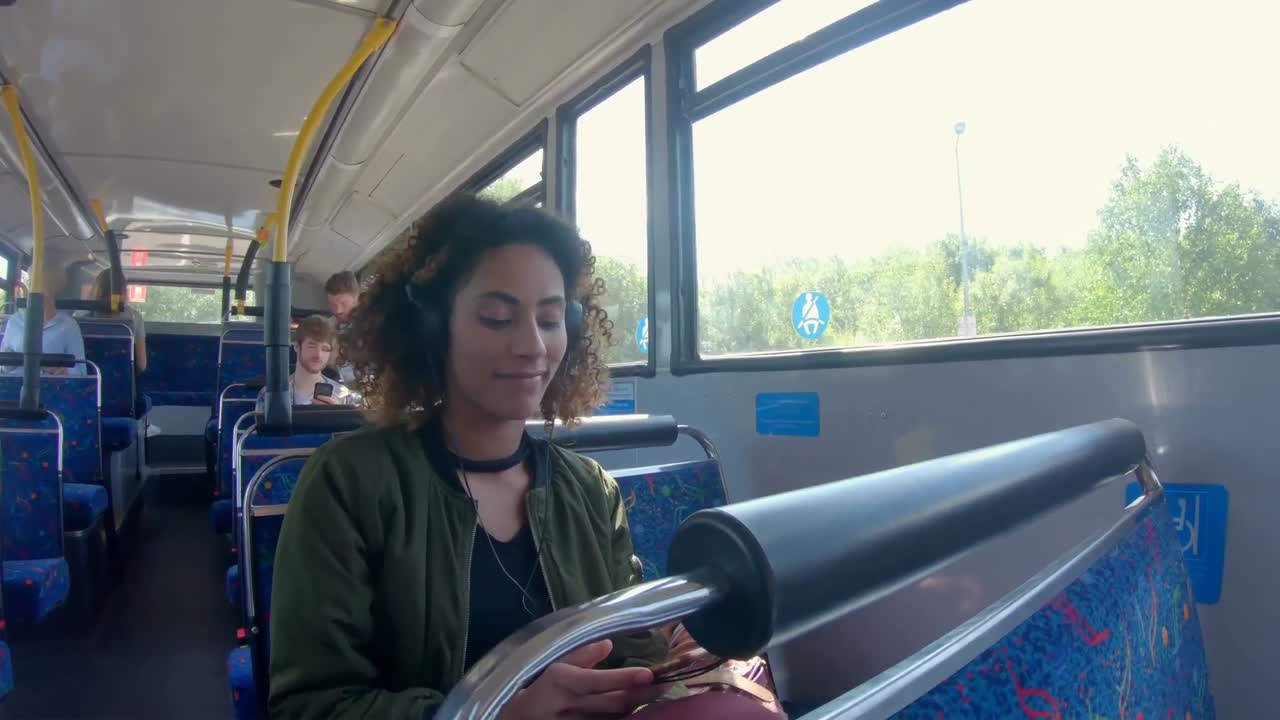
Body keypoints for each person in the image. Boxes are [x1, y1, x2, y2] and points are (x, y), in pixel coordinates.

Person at [268, 195, 669, 719]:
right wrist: (491, 714)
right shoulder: (349, 483)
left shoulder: (591, 489)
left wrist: (678, 667)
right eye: (498, 318)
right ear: (434, 329)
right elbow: (310, 704)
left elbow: (638, 650)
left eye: (550, 320)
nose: (533, 345)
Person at [0, 250, 86, 376]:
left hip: (50, 385)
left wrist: (54, 368)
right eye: (32, 283)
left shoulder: (68, 326)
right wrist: (8, 363)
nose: (39, 290)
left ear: (55, 288)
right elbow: (3, 367)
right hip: (13, 384)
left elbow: (81, 371)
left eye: (44, 284)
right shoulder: (15, 321)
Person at [256, 314, 357, 410]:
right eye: (311, 346)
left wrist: (338, 415)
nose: (318, 355)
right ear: (297, 346)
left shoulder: (343, 396)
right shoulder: (271, 395)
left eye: (325, 349)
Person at [78, 268, 147, 373]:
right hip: (121, 377)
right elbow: (141, 364)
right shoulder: (134, 317)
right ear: (123, 290)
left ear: (97, 289)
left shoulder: (80, 316)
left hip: (87, 376)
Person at [324, 270, 359, 386]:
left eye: (344, 304)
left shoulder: (371, 327)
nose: (338, 310)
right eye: (333, 305)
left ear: (356, 297)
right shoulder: (327, 328)